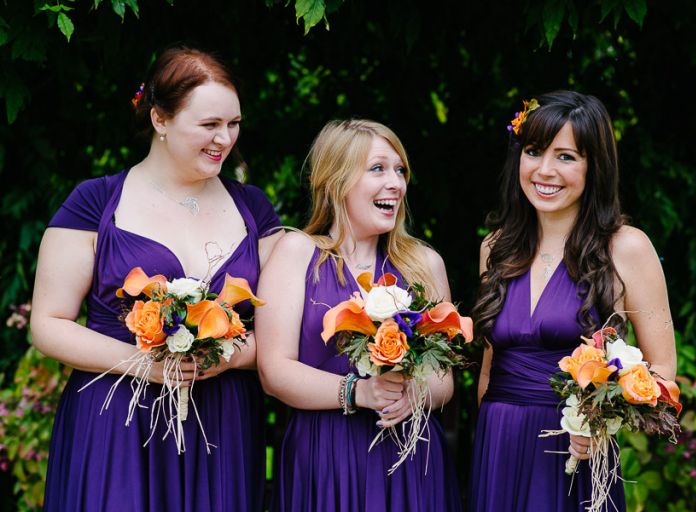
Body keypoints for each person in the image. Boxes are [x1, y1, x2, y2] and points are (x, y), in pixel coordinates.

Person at [30, 47, 283, 511]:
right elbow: (48, 324)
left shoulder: (255, 209)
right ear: (160, 119)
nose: (224, 138)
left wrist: (226, 358)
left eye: (233, 124)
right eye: (209, 124)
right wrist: (143, 363)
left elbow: (282, 332)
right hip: (116, 419)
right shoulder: (94, 203)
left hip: (221, 423)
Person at [469, 91, 677, 511]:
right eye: (534, 151)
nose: (545, 170)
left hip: (574, 450)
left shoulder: (627, 248)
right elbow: (489, 370)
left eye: (565, 157)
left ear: (593, 166)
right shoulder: (495, 248)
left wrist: (602, 422)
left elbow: (663, 371)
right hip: (498, 445)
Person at [254, 119, 461, 511]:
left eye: (400, 171)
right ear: (337, 181)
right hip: (325, 454)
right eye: (378, 169)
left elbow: (444, 380)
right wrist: (357, 392)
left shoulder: (424, 264)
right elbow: (273, 370)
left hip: (409, 453)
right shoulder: (297, 253)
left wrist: (413, 394)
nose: (396, 183)